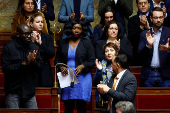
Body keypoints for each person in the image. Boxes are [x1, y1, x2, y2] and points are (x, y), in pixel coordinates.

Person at [54, 18, 95, 113]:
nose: (76, 30)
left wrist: (83, 66)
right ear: (69, 29)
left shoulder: (87, 42)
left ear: (82, 30)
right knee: (68, 106)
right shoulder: (63, 42)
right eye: (74, 28)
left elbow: (92, 61)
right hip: (67, 77)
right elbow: (57, 60)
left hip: (83, 77)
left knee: (81, 107)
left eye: (79, 28)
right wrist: (61, 67)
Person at [1, 23, 43, 108]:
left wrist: (33, 62)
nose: (28, 36)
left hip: (29, 91)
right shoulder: (8, 47)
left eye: (30, 33)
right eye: (26, 34)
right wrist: (23, 64)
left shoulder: (34, 47)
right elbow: (5, 69)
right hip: (13, 91)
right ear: (18, 34)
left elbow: (40, 68)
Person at [138, 7, 170, 87]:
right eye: (156, 18)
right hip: (149, 74)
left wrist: (169, 49)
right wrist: (149, 45)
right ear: (151, 19)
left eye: (160, 17)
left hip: (166, 75)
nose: (158, 20)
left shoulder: (169, 32)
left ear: (163, 18)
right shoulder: (144, 34)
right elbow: (139, 55)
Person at [30, 13, 55, 87]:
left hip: (45, 73)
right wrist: (32, 42)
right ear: (31, 24)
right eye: (37, 22)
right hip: (32, 73)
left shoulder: (47, 37)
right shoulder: (27, 36)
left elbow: (51, 54)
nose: (40, 24)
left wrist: (41, 44)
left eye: (42, 22)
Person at [93, 42, 119, 108]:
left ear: (116, 52)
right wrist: (99, 70)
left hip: (116, 97)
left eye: (111, 50)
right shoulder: (101, 64)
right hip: (102, 98)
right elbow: (95, 82)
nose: (109, 53)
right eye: (106, 51)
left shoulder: (120, 64)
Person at [128, 0, 153, 66]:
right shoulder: (132, 20)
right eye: (140, 3)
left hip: (153, 54)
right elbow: (131, 39)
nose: (143, 5)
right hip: (138, 55)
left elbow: (158, 36)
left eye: (145, 3)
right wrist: (141, 27)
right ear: (137, 6)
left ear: (149, 4)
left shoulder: (154, 18)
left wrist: (148, 29)